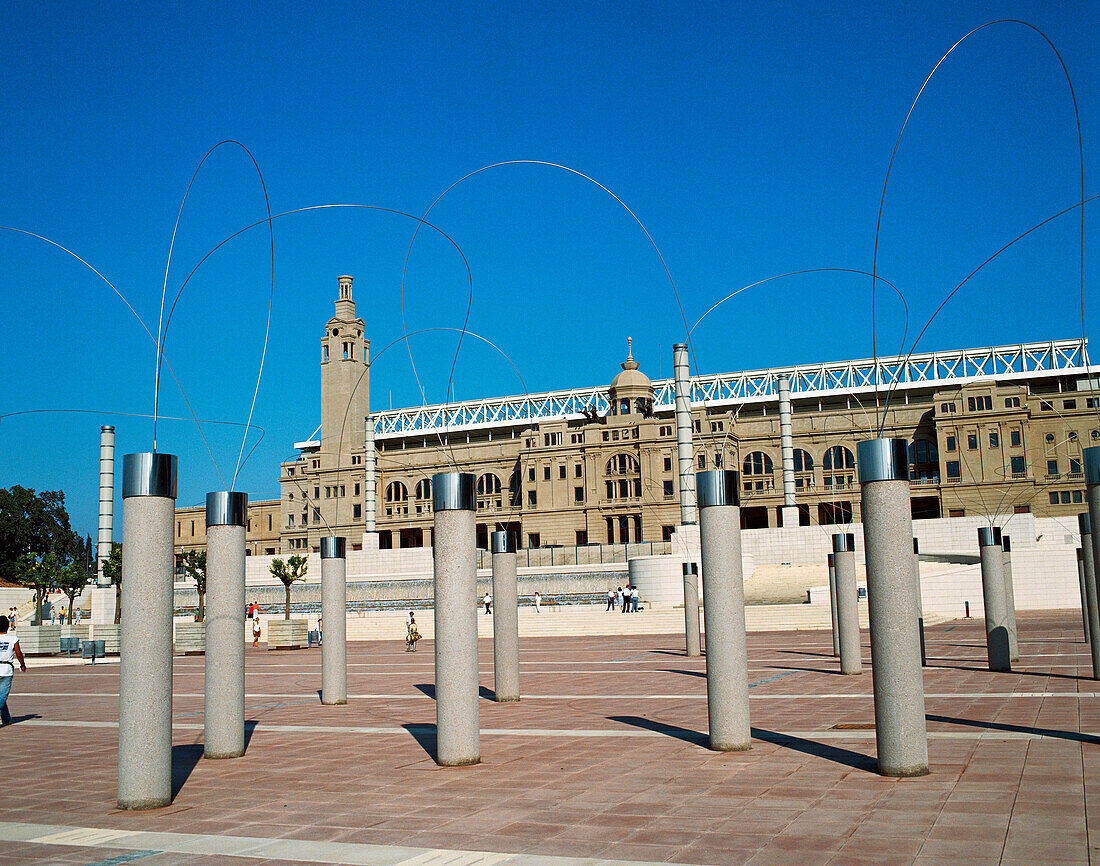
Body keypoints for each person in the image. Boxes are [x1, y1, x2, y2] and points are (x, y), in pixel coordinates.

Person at [0, 616, 27, 726]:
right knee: (2, 696)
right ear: (8, 626)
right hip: (6, 671)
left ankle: (6, 719)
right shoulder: (12, 639)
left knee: (1, 696)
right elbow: (19, 654)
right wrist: (22, 665)